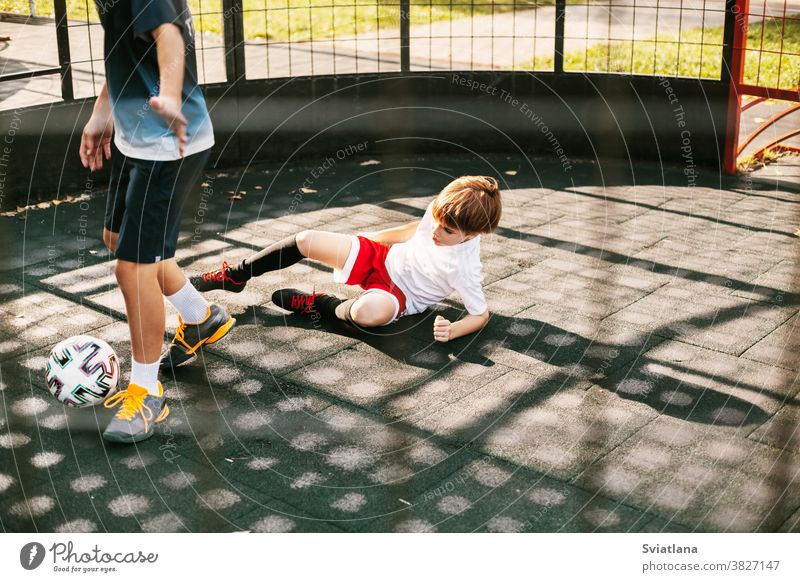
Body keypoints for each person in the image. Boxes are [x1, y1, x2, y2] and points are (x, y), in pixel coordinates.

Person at [79, 0, 234, 443]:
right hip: (136, 141)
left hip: (168, 147)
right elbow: (127, 51)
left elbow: (168, 34)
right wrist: (101, 112)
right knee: (117, 240)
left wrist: (168, 94)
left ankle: (146, 391)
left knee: (133, 268)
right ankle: (200, 315)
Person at [192, 176, 501, 342]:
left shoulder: (464, 268)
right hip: (382, 258)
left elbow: (480, 315)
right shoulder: (441, 213)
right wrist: (372, 239)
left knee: (369, 313)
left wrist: (454, 330)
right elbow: (415, 229)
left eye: (446, 231)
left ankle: (321, 305)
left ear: (470, 236)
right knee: (306, 240)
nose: (435, 230)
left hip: (400, 296)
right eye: (435, 219)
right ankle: (237, 275)